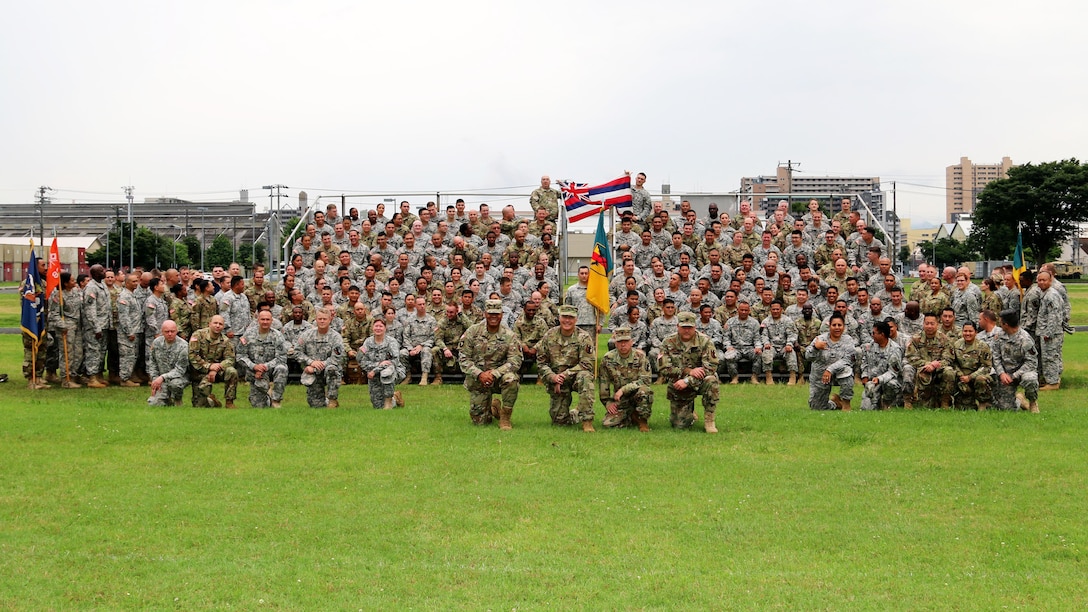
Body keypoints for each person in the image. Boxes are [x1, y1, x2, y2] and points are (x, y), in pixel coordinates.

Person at [458, 299, 523, 429]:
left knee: (511, 379)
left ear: (502, 315)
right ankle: (493, 409)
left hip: (500, 379)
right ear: (484, 314)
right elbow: (463, 358)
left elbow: (515, 361)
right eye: (490, 314)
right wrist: (479, 374)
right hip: (478, 380)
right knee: (480, 421)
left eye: (497, 314)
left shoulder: (510, 336)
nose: (494, 317)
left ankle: (505, 417)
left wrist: (494, 373)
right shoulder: (472, 332)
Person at [537, 305, 597, 431]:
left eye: (571, 317)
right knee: (559, 421)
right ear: (559, 318)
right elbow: (541, 363)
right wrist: (553, 377)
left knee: (585, 377)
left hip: (576, 377)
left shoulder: (583, 337)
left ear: (576, 319)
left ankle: (587, 420)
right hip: (557, 380)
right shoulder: (549, 335)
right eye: (564, 317)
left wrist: (564, 375)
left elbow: (587, 364)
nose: (567, 320)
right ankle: (575, 413)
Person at [659, 311, 720, 432]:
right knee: (679, 425)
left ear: (695, 327)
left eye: (689, 327)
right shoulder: (668, 342)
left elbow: (711, 366)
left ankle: (709, 420)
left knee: (712, 381)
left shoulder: (705, 341)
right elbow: (664, 368)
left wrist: (688, 380)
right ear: (677, 327)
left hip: (700, 381)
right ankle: (689, 412)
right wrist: (688, 371)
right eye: (683, 327)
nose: (686, 330)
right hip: (678, 383)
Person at [599, 326, 654, 431]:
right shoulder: (608, 359)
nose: (623, 344)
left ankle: (642, 421)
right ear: (615, 343)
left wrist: (624, 389)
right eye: (620, 342)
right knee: (608, 424)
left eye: (626, 341)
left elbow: (645, 381)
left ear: (631, 342)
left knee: (645, 391)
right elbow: (603, 382)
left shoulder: (640, 357)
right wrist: (607, 402)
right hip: (620, 400)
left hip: (637, 396)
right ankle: (630, 417)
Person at [805, 312, 856, 411]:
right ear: (829, 326)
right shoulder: (820, 339)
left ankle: (846, 403)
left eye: (839, 325)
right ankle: (836, 404)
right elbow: (807, 356)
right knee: (817, 407)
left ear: (843, 326)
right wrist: (815, 348)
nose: (837, 328)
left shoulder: (848, 340)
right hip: (820, 376)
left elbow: (848, 360)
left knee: (847, 373)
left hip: (839, 373)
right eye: (834, 325)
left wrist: (830, 369)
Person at [237, 310, 288, 408]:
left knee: (282, 368)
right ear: (257, 320)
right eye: (262, 319)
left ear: (271, 321)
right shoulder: (248, 335)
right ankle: (266, 395)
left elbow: (282, 357)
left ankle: (276, 399)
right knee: (259, 406)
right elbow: (240, 355)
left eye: (267, 319)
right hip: (254, 372)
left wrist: (265, 366)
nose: (265, 322)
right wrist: (254, 366)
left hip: (271, 369)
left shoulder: (277, 335)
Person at [905, 313, 955, 409]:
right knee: (922, 374)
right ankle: (921, 400)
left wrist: (936, 365)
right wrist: (927, 364)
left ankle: (945, 401)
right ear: (923, 324)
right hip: (923, 368)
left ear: (937, 324)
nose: (929, 326)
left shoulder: (944, 339)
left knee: (949, 372)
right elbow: (911, 357)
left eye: (932, 324)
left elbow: (948, 358)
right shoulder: (916, 339)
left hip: (939, 369)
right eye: (927, 323)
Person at [993, 309, 1039, 412]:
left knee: (1030, 379)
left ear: (1006, 324)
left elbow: (1031, 362)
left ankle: (1033, 402)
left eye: (1001, 322)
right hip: (1005, 375)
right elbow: (995, 357)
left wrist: (1014, 376)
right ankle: (1019, 400)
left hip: (1022, 372)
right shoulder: (999, 336)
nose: (999, 325)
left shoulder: (1025, 339)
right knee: (1006, 409)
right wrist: (1001, 373)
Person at [296, 309, 345, 408]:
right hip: (312, 371)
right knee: (316, 406)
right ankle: (323, 400)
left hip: (328, 369)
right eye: (320, 319)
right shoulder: (306, 335)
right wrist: (310, 363)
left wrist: (320, 364)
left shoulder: (336, 337)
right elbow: (297, 352)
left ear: (330, 320)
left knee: (332, 369)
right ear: (316, 320)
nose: (322, 321)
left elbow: (337, 357)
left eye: (324, 319)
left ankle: (332, 400)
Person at [188, 315, 239, 408]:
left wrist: (217, 368)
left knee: (232, 371)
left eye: (220, 324)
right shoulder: (198, 335)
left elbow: (230, 359)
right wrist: (209, 366)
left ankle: (229, 402)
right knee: (199, 405)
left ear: (223, 327)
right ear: (209, 324)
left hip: (217, 372)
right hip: (199, 372)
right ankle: (213, 402)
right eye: (215, 323)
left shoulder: (226, 341)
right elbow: (192, 355)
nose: (217, 326)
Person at [359, 319, 406, 409]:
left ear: (385, 328)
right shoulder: (367, 342)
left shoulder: (391, 342)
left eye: (381, 326)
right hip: (373, 374)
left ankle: (388, 401)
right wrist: (378, 365)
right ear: (372, 328)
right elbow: (362, 361)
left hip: (393, 372)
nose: (378, 328)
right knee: (378, 406)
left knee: (386, 372)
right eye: (376, 326)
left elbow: (394, 361)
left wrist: (376, 369)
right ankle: (395, 397)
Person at [49, 272, 84, 388]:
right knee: (67, 353)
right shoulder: (58, 295)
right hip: (66, 327)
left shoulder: (76, 291)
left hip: (77, 326)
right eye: (72, 281)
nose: (74, 282)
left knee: (78, 352)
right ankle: (66, 379)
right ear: (65, 283)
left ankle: (74, 375)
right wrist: (62, 326)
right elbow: (54, 314)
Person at [859, 320, 903, 410]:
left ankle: (888, 402)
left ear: (882, 334)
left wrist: (880, 379)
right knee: (866, 409)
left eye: (874, 333)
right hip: (872, 384)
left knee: (891, 384)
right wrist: (865, 376)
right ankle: (876, 402)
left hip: (887, 382)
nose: (872, 335)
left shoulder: (895, 349)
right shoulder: (870, 346)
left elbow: (893, 372)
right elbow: (865, 362)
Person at [147, 320, 191, 406]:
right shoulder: (156, 343)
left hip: (179, 378)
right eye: (167, 332)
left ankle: (177, 399)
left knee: (175, 384)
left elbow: (180, 370)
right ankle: (167, 399)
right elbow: (152, 363)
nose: (170, 334)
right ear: (162, 332)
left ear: (176, 331)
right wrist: (155, 380)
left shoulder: (183, 346)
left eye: (172, 331)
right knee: (154, 404)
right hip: (161, 379)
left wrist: (162, 377)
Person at [951, 321, 993, 410]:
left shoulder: (983, 346)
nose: (967, 333)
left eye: (970, 331)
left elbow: (986, 366)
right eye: (965, 331)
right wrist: (960, 375)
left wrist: (970, 377)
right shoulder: (956, 345)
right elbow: (953, 363)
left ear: (976, 332)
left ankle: (983, 404)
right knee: (965, 409)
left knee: (981, 379)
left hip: (977, 378)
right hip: (962, 379)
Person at [1035, 271, 1064, 390]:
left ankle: (1052, 383)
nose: (1041, 282)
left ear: (1050, 281)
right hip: (1047, 332)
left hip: (1051, 334)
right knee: (1049, 356)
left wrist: (1048, 332)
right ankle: (1051, 379)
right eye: (1039, 280)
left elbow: (1054, 315)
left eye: (1044, 280)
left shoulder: (1051, 295)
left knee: (1050, 357)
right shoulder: (1045, 294)